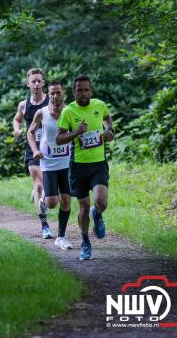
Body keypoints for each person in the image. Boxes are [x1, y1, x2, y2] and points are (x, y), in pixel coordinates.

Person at [56, 75, 114, 260]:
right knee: (83, 205)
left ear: (91, 91)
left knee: (101, 201)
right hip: (78, 166)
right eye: (79, 90)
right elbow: (59, 138)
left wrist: (110, 131)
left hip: (98, 164)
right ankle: (85, 243)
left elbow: (107, 118)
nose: (83, 93)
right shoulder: (68, 111)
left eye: (86, 89)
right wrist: (77, 132)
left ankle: (97, 214)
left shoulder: (99, 105)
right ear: (73, 92)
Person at [27, 81, 73, 250]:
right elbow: (30, 132)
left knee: (67, 199)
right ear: (49, 93)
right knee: (53, 202)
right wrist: (34, 150)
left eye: (58, 93)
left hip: (67, 161)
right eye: (52, 93)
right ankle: (43, 199)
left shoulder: (70, 111)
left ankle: (61, 237)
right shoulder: (42, 113)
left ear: (64, 93)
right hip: (48, 161)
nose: (54, 96)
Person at [13, 68, 52, 238]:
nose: (36, 84)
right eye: (33, 81)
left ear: (43, 83)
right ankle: (44, 225)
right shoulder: (24, 104)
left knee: (49, 190)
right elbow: (17, 119)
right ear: (28, 84)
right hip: (33, 149)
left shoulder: (52, 101)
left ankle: (40, 195)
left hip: (52, 149)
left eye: (39, 81)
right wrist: (17, 130)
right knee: (38, 185)